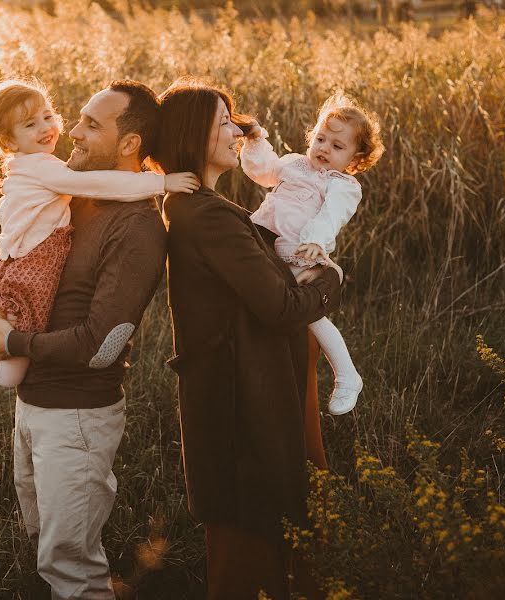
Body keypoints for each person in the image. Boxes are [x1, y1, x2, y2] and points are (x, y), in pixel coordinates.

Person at [153, 77, 344, 600]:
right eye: (223, 122)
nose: (235, 130)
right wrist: (331, 280)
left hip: (261, 387)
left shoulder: (206, 209)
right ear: (195, 135)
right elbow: (280, 307)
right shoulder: (207, 215)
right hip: (248, 400)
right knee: (254, 540)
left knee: (276, 526)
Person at [0, 80, 169, 599]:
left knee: (73, 571)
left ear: (129, 144)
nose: (73, 133)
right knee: (44, 549)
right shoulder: (72, 198)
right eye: (77, 119)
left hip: (77, 418)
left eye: (91, 125)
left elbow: (101, 345)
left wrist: (15, 341)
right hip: (34, 404)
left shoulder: (137, 227)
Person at [0, 79, 197, 406]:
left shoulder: (34, 168)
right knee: (9, 372)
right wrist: (161, 182)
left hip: (25, 271)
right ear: (9, 140)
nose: (51, 128)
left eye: (48, 116)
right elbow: (99, 183)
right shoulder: (44, 169)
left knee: (8, 366)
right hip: (29, 274)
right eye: (30, 124)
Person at [240, 91, 384, 415]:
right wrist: (255, 139)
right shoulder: (293, 163)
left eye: (337, 146)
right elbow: (262, 170)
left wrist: (317, 241)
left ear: (355, 158)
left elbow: (331, 215)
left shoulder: (342, 185)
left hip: (298, 250)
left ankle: (346, 374)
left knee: (310, 313)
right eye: (320, 139)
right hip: (262, 239)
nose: (323, 149)